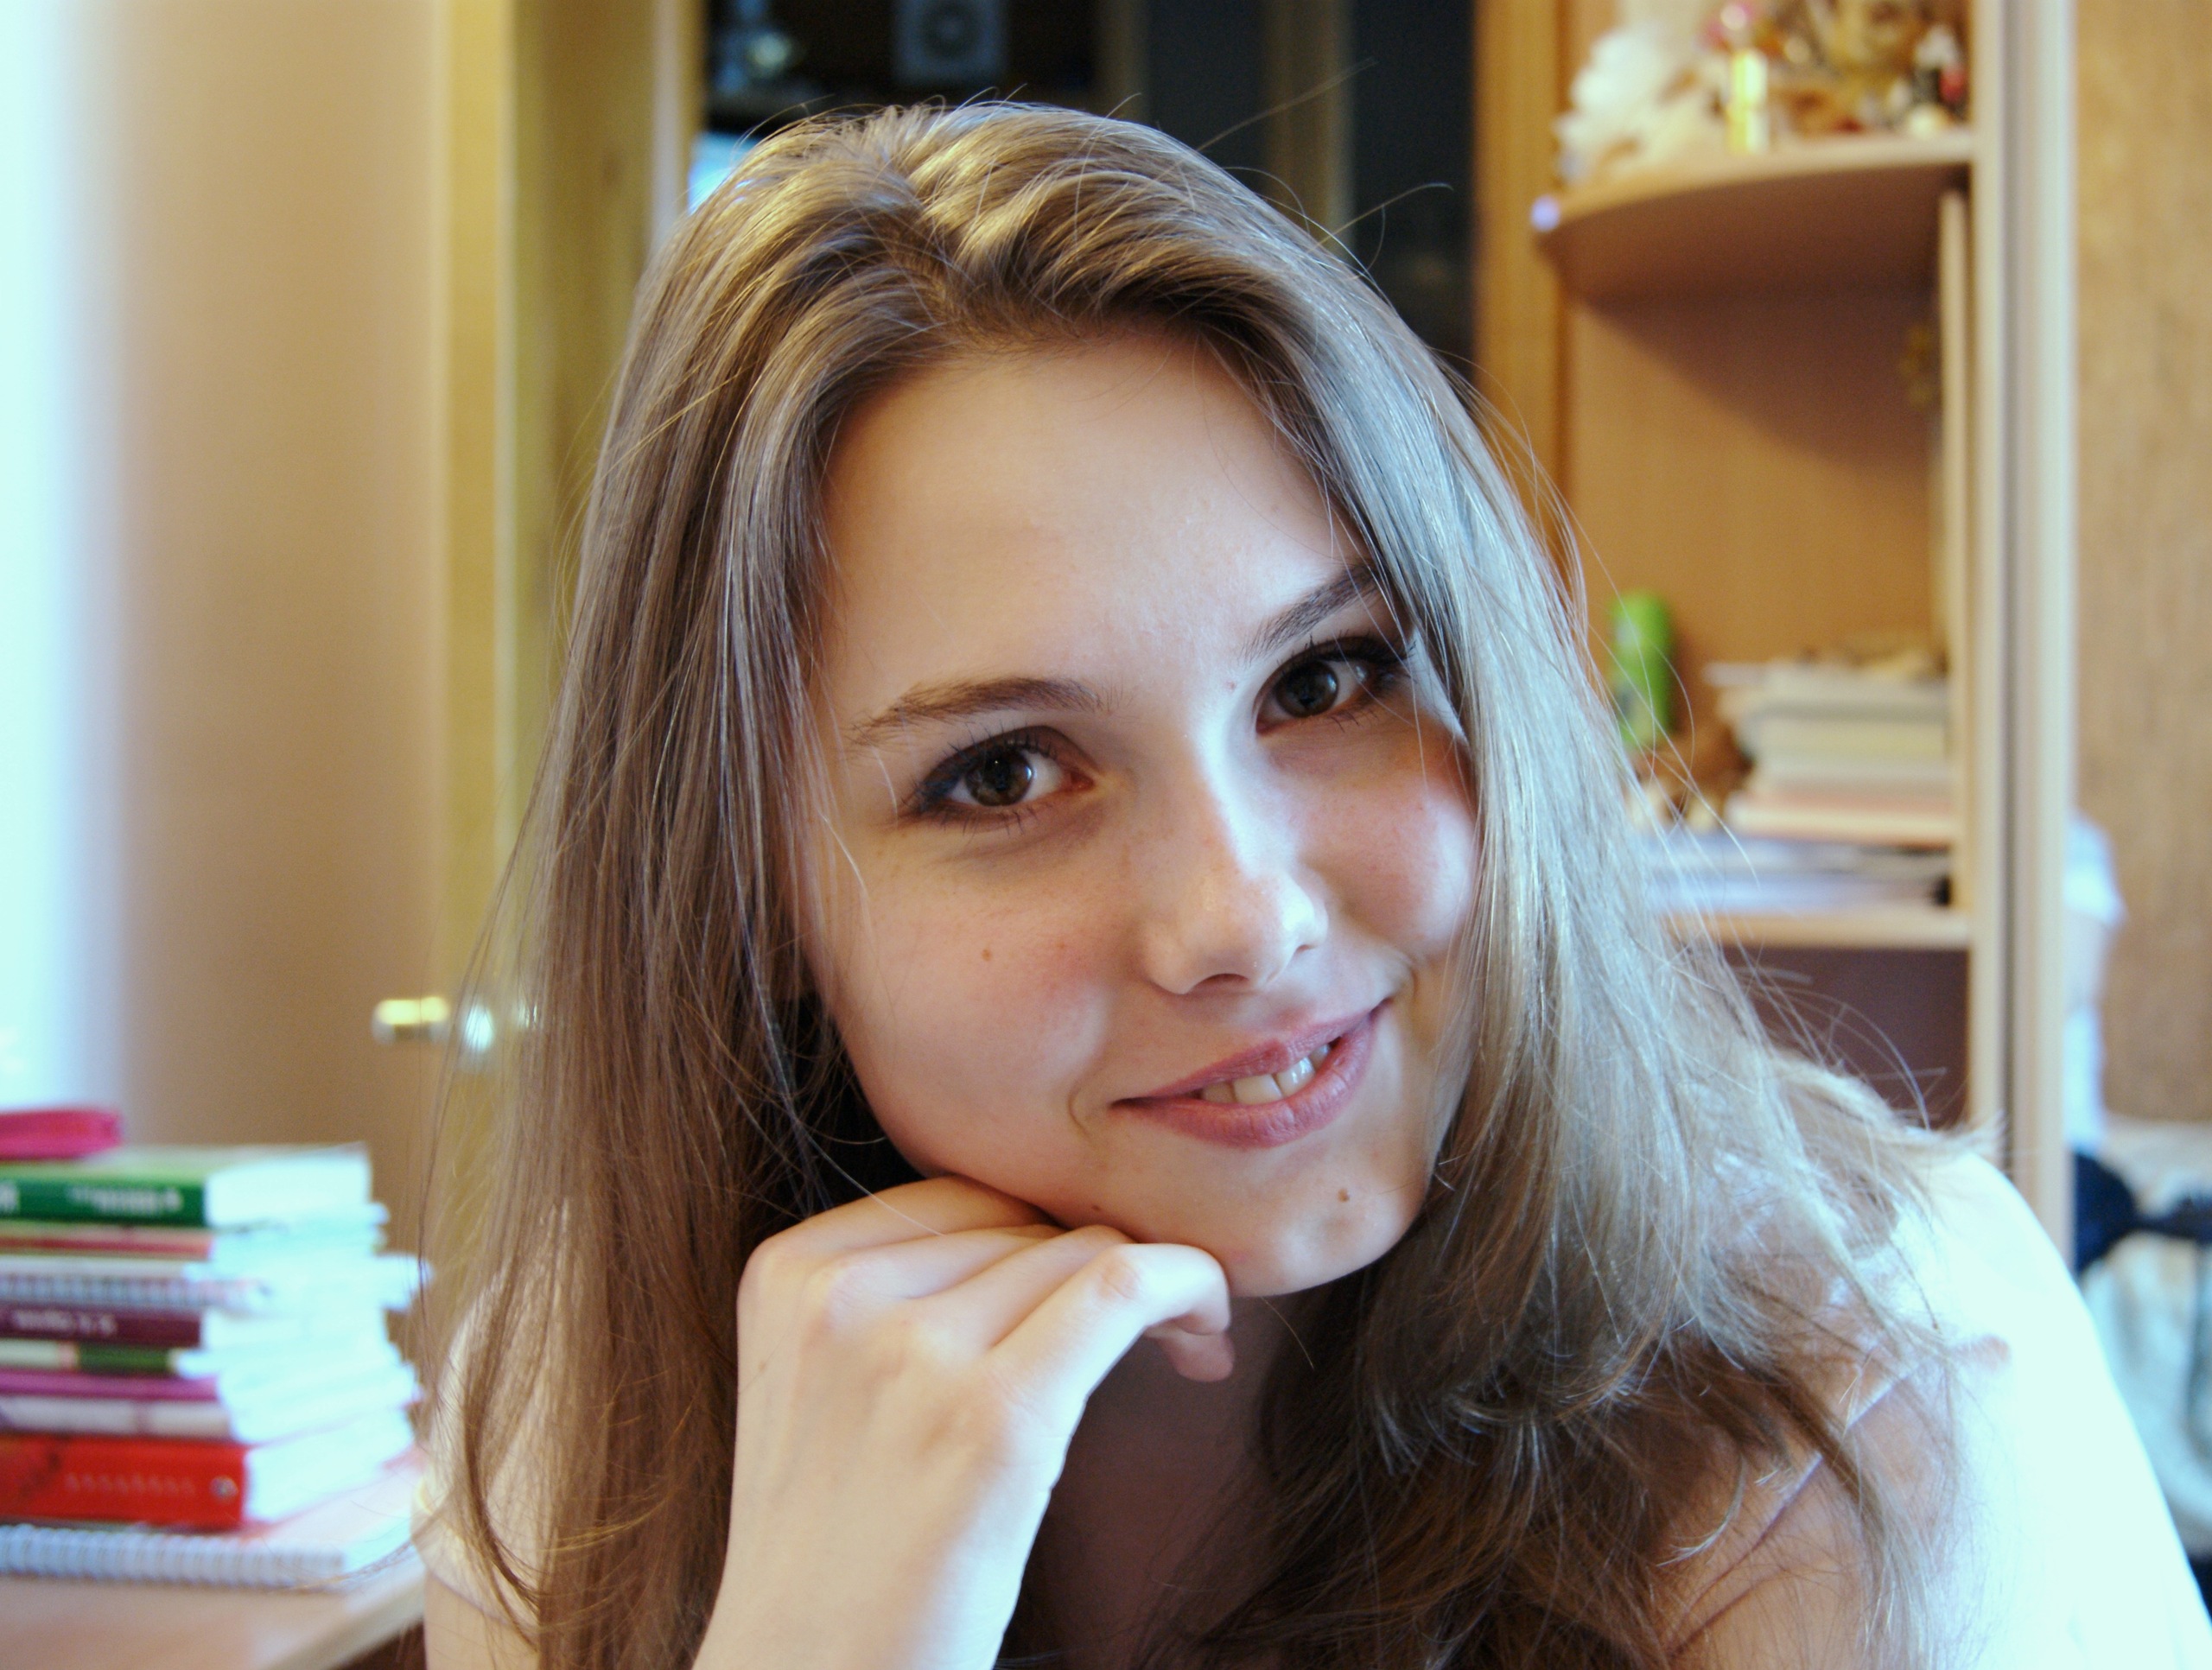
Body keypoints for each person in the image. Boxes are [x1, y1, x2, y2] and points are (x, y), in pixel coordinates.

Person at [414, 104, 2209, 1670]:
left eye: (1325, 678)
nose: (1243, 915)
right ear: (754, 899)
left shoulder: (1874, 1403)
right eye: (1003, 772)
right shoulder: (582, 1436)